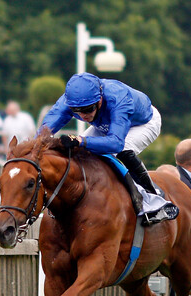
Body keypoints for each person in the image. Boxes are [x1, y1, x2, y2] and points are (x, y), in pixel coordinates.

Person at [40, 73, 177, 226]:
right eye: (76, 111)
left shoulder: (118, 98)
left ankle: (154, 199)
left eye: (87, 109)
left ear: (100, 100)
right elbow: (45, 130)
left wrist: (80, 140)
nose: (83, 116)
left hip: (141, 124)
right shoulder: (70, 100)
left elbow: (116, 143)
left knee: (123, 151)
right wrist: (37, 145)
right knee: (78, 154)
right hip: (106, 125)